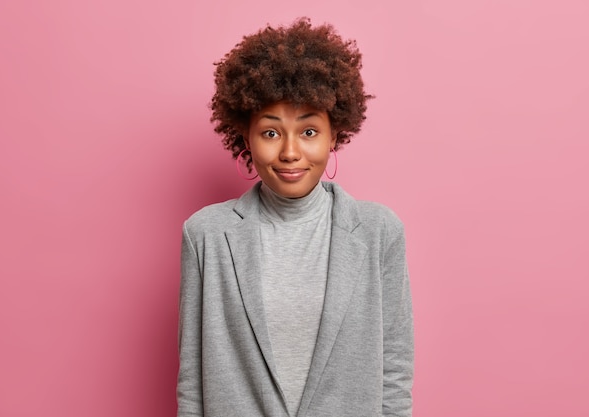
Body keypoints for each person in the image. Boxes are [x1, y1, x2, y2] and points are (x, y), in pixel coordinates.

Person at [177, 18, 413, 417]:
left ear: (334, 135)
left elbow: (394, 375)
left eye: (308, 132)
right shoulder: (206, 235)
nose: (289, 152)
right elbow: (192, 382)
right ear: (245, 136)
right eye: (271, 133)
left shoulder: (379, 232)